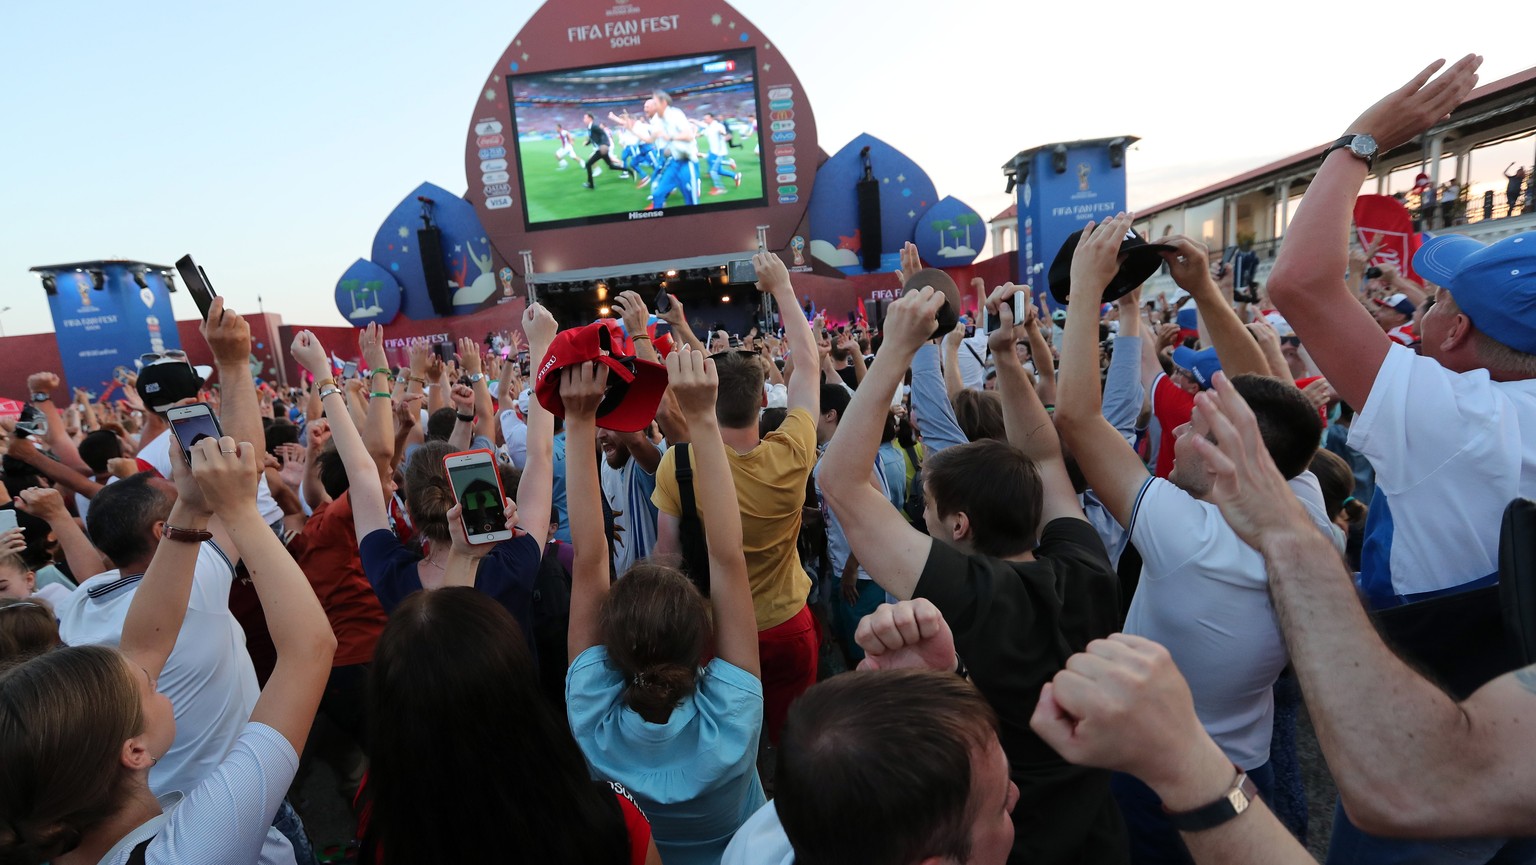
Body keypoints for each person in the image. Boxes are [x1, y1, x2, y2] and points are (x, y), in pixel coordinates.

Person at [1055, 213, 1331, 863]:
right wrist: (1205, 291)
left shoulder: (1190, 538)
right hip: (1245, 772)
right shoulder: (1304, 508)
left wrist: (1089, 291)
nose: (1179, 431)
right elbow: (1275, 407)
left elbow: (1075, 416)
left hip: (1160, 780)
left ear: (1235, 459)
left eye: (1203, 430)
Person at [819, 283, 1125, 865]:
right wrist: (1007, 355)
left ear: (958, 526)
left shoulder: (974, 599)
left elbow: (839, 482)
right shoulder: (1086, 566)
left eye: (926, 510)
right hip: (1096, 831)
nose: (920, 519)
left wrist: (894, 350)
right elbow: (1044, 458)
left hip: (1012, 842)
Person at [0, 434, 335, 865]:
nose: (150, 671)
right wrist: (238, 510)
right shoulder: (204, 838)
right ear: (135, 752)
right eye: (150, 686)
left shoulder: (86, 602)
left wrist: (192, 506)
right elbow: (309, 649)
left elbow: (144, 646)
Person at [565, 347, 763, 865]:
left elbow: (589, 559)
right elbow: (727, 556)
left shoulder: (593, 719)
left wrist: (578, 420)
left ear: (609, 649)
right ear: (704, 641)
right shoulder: (733, 717)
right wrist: (700, 417)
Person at [289, 322, 549, 648]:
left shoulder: (393, 576)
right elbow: (540, 456)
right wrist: (541, 347)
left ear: (409, 510)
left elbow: (363, 473)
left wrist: (322, 375)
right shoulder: (514, 564)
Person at [651, 251, 820, 746]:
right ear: (765, 398)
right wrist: (782, 288)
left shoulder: (678, 464)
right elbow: (807, 365)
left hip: (715, 631)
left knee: (729, 747)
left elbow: (669, 559)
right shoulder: (792, 451)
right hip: (789, 623)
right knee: (795, 742)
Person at [697, 112, 741, 194]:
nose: (704, 120)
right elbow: (701, 134)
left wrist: (724, 134)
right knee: (718, 170)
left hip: (719, 152)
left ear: (711, 118)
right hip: (713, 151)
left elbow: (722, 132)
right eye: (704, 119)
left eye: (706, 118)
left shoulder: (718, 126)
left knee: (713, 171)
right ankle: (734, 174)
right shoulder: (708, 127)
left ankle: (720, 188)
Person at [582, 113, 628, 189]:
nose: (583, 120)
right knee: (610, 165)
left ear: (590, 118)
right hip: (600, 149)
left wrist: (604, 144)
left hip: (602, 149)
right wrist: (587, 143)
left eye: (585, 118)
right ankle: (627, 170)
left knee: (588, 164)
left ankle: (591, 184)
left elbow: (603, 134)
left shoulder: (594, 126)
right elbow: (592, 138)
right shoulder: (590, 127)